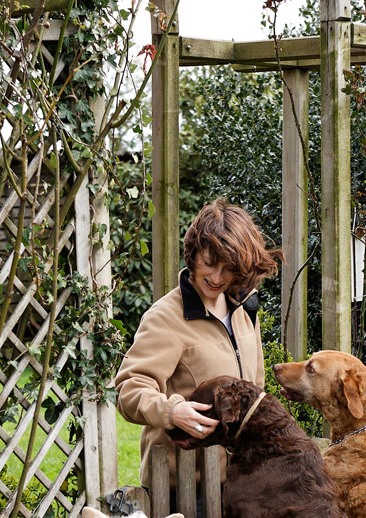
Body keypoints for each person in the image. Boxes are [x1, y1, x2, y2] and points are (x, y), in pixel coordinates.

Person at [115, 199, 282, 500]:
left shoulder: (245, 308)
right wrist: (171, 411)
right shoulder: (165, 317)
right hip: (183, 492)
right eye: (209, 263)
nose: (217, 278)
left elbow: (255, 389)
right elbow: (129, 390)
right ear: (192, 254)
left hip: (239, 482)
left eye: (228, 269)